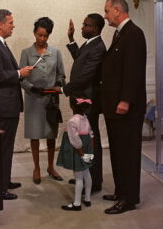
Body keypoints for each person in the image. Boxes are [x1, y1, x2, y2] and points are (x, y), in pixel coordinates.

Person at [50, 14, 106, 193]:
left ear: (95, 28)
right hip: (81, 99)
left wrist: (64, 89)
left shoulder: (98, 47)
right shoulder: (90, 43)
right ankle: (85, 176)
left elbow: (85, 76)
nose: (82, 27)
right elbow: (81, 60)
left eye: (86, 25)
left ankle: (95, 180)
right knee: (83, 140)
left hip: (88, 101)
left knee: (90, 141)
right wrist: (71, 39)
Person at [101, 0, 147, 214]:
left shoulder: (133, 34)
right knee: (118, 152)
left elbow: (134, 71)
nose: (105, 15)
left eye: (107, 11)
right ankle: (121, 191)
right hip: (115, 107)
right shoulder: (121, 34)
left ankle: (129, 199)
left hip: (126, 108)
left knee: (127, 154)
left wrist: (125, 100)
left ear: (117, 10)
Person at [0, 9, 33, 200]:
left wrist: (19, 73)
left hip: (7, 105)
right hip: (3, 106)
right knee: (3, 147)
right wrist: (19, 73)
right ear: (1, 24)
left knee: (7, 145)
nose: (13, 26)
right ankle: (0, 187)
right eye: (11, 22)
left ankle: (5, 180)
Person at [19, 17, 65, 184]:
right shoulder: (26, 53)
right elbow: (21, 79)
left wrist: (59, 83)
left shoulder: (56, 52)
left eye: (45, 36)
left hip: (50, 100)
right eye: (39, 35)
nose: (42, 39)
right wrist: (32, 88)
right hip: (33, 99)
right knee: (35, 135)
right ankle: (37, 167)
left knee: (51, 134)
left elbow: (61, 74)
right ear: (34, 33)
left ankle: (51, 166)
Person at [57, 97, 94, 211]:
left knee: (78, 177)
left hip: (79, 151)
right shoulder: (85, 118)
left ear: (72, 106)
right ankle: (87, 199)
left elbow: (74, 139)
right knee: (87, 172)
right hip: (87, 149)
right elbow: (91, 134)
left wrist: (80, 152)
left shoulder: (72, 121)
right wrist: (90, 149)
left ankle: (77, 203)